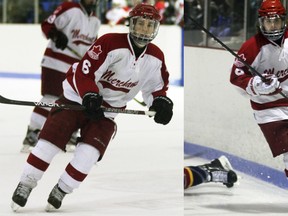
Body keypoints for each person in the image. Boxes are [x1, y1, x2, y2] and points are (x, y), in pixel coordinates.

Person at [11, 3, 173, 211]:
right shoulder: (110, 43)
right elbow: (84, 73)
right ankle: (26, 183)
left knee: (88, 156)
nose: (144, 30)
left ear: (156, 29)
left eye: (150, 26)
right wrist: (89, 94)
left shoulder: (156, 57)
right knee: (48, 144)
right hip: (75, 100)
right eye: (140, 24)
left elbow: (156, 88)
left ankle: (61, 189)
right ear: (131, 24)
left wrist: (160, 102)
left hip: (107, 112)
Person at [21, 0, 101, 153]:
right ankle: (33, 133)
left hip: (77, 70)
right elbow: (47, 25)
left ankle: (70, 134)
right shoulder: (69, 7)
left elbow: (93, 47)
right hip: (55, 63)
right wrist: (56, 35)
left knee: (77, 102)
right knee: (51, 98)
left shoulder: (95, 20)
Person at [230, 0, 288, 176]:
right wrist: (258, 85)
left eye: (276, 21)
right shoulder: (251, 47)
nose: (272, 25)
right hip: (268, 110)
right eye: (268, 21)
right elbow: (236, 77)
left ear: (283, 21)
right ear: (260, 22)